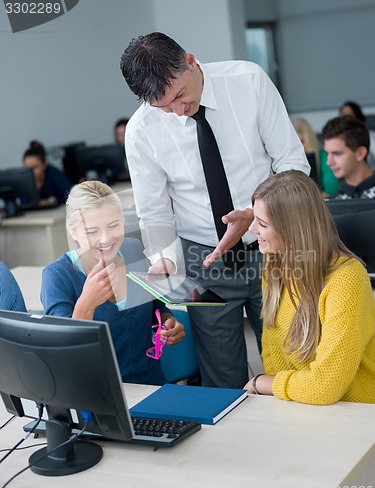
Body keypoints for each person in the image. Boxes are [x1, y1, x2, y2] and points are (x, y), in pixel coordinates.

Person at [120, 32, 310, 389]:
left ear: (191, 61)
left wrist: (256, 214)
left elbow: (292, 164)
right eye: (164, 106)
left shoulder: (248, 81)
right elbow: (156, 213)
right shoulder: (141, 129)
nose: (178, 110)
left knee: (291, 361)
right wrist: (164, 259)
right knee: (222, 381)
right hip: (205, 262)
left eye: (179, 95)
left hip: (272, 245)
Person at [244, 170, 375, 404]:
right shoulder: (274, 266)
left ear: (292, 230)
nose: (252, 229)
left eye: (262, 223)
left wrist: (260, 382)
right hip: (302, 407)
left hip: (354, 415)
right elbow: (272, 353)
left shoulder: (347, 279)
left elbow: (325, 386)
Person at [41, 180, 185, 385]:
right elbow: (64, 356)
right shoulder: (57, 276)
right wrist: (86, 305)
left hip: (153, 387)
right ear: (74, 232)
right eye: (92, 231)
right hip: (102, 397)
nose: (106, 238)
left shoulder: (134, 249)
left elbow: (155, 307)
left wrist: (167, 322)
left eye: (113, 225)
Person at [322, 115, 375, 199]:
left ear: (360, 153)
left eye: (337, 153)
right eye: (327, 153)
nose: (329, 162)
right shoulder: (332, 203)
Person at [291, 116, 339, 197]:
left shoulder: (325, 156)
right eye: (295, 144)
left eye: (302, 142)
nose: (300, 148)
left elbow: (331, 190)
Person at [23, 141, 72, 206]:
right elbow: (23, 201)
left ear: (44, 165)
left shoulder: (54, 174)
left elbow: (70, 196)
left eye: (35, 167)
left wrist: (51, 200)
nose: (31, 172)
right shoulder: (24, 180)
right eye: (27, 168)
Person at [339, 100, 375, 170]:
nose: (345, 118)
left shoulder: (370, 135)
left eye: (349, 114)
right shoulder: (337, 138)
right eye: (342, 114)